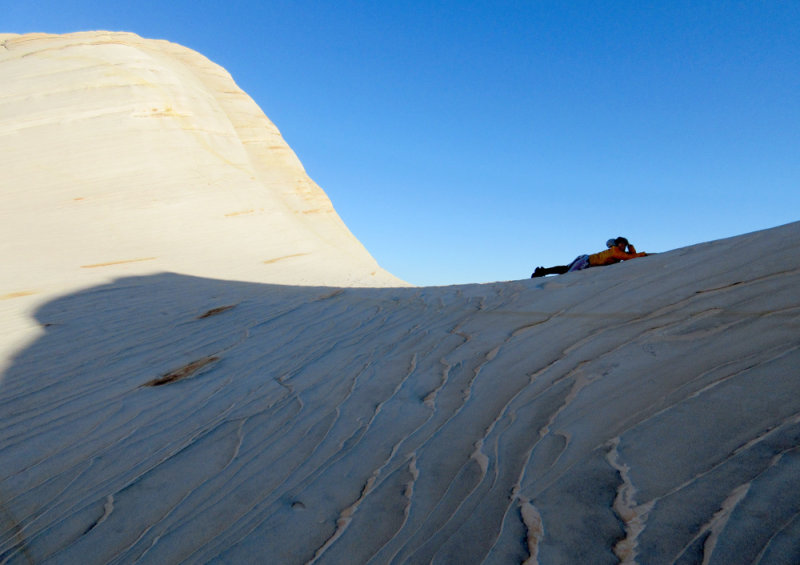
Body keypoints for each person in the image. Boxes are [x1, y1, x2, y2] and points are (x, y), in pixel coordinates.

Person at [531, 237, 647, 277]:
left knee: (565, 269)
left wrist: (631, 247)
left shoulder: (616, 251)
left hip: (585, 259)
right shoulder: (615, 251)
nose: (623, 246)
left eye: (624, 245)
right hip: (586, 262)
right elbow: (629, 258)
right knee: (567, 273)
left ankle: (542, 271)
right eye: (622, 244)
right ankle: (541, 272)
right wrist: (641, 254)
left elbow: (629, 256)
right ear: (617, 244)